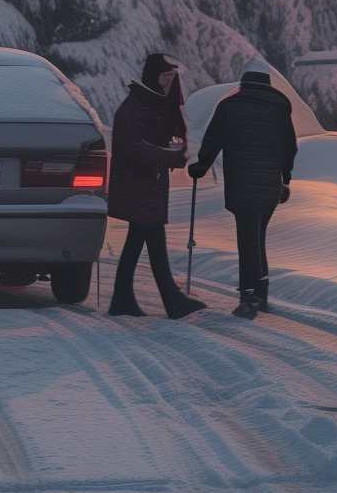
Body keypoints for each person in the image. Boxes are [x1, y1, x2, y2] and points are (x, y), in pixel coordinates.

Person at [191, 64, 297, 319]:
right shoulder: (279, 108)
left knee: (247, 239)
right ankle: (261, 292)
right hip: (270, 185)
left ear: (243, 85)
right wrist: (286, 178)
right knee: (257, 237)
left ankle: (249, 296)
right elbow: (289, 147)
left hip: (242, 183)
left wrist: (201, 165)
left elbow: (213, 139)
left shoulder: (230, 107)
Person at [105, 52, 203, 318]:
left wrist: (176, 149)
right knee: (152, 242)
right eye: (164, 77)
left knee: (138, 241)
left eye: (171, 77)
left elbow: (159, 139)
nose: (169, 82)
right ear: (152, 76)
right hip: (139, 185)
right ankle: (170, 300)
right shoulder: (135, 106)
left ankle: (124, 298)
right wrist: (170, 155)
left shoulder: (152, 104)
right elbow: (134, 147)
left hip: (148, 185)